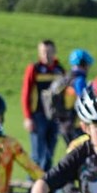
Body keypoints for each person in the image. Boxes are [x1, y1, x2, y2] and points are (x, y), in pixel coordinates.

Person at [20, 39, 65, 173]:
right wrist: (28, 117)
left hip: (55, 117)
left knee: (49, 154)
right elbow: (26, 93)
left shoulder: (59, 70)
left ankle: (46, 184)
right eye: (43, 52)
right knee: (37, 155)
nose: (46, 55)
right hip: (38, 116)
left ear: (54, 52)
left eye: (49, 52)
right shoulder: (34, 69)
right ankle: (32, 186)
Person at [55, 48, 94, 147]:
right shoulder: (79, 80)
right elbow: (85, 99)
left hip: (64, 123)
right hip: (75, 124)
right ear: (84, 64)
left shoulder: (68, 77)